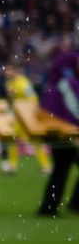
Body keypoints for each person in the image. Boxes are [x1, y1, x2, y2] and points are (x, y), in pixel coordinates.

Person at [35, 50, 79, 217]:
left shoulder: (54, 85)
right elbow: (74, 110)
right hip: (65, 132)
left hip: (57, 131)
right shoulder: (67, 83)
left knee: (61, 168)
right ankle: (71, 205)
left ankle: (49, 207)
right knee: (61, 168)